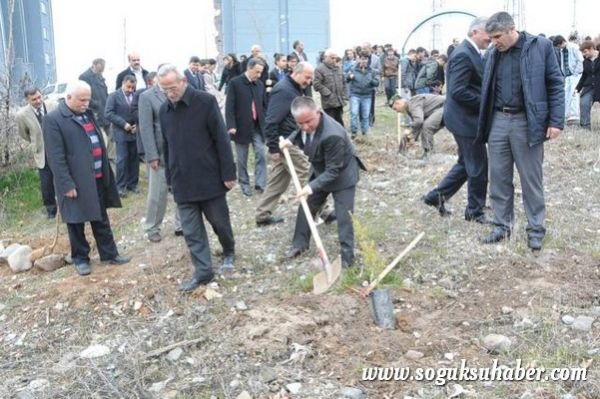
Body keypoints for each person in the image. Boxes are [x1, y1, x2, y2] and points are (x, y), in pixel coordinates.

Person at [476, 12, 563, 251]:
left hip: (527, 122)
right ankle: (502, 226)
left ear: (512, 29)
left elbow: (555, 83)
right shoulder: (493, 53)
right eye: (491, 38)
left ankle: (535, 229)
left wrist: (556, 121)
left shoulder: (540, 46)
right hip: (498, 121)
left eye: (497, 37)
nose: (494, 42)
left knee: (530, 179)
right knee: (499, 178)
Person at [157, 64, 236, 292]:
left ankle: (229, 251)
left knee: (220, 223)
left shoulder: (205, 102)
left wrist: (228, 173)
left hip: (209, 177)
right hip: (182, 181)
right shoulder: (164, 111)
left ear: (183, 82)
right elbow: (167, 146)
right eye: (165, 90)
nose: (170, 93)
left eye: (172, 87)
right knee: (191, 231)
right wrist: (170, 177)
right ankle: (203, 272)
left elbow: (221, 139)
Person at [43, 81, 130, 276]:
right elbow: (55, 158)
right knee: (76, 221)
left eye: (88, 99)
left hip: (96, 177)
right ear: (68, 98)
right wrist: (66, 184)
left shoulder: (87, 113)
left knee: (101, 217)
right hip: (75, 181)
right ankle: (80, 258)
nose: (85, 103)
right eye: (82, 100)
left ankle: (109, 254)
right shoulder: (54, 119)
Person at [422, 17, 492, 222]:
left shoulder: (471, 52)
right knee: (478, 166)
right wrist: (486, 102)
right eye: (488, 34)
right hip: (465, 121)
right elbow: (459, 91)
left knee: (465, 164)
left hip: (463, 119)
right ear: (475, 32)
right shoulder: (463, 54)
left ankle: (435, 197)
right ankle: (474, 212)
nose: (490, 38)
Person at [281, 97, 365, 268]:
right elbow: (301, 133)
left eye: (308, 121)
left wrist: (310, 187)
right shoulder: (306, 123)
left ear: (318, 113)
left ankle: (348, 258)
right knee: (306, 207)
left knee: (344, 216)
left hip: (342, 176)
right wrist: (289, 141)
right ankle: (299, 245)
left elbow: (334, 171)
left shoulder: (332, 134)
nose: (305, 126)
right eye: (300, 122)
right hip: (321, 170)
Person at [255, 62, 316, 226]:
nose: (309, 81)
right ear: (297, 73)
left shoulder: (295, 88)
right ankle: (321, 210)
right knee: (306, 171)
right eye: (307, 77)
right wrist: (274, 147)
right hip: (286, 142)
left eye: (311, 78)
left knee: (278, 180)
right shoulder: (284, 90)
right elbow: (271, 120)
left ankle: (262, 214)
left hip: (289, 140)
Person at [137, 70, 182, 242]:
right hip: (160, 154)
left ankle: (181, 224)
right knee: (158, 194)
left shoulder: (179, 92)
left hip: (180, 151)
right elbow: (146, 128)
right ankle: (152, 227)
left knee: (182, 189)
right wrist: (152, 155)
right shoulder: (147, 97)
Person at [225, 58, 268, 197]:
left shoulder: (259, 85)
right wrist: (231, 125)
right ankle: (244, 184)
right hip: (240, 127)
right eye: (257, 72)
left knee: (261, 153)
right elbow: (229, 106)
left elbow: (264, 105)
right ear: (249, 69)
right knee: (242, 159)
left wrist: (266, 122)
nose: (259, 75)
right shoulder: (235, 83)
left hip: (257, 126)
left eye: (261, 72)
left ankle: (260, 183)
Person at [15, 87, 58, 218]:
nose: (38, 100)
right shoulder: (22, 115)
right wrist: (37, 142)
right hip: (42, 153)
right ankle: (51, 211)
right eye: (34, 99)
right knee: (47, 182)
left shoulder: (53, 105)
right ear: (27, 100)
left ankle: (68, 205)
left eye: (40, 97)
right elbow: (24, 134)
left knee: (63, 176)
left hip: (58, 148)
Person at [105, 74, 139, 197]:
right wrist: (123, 124)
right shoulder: (113, 96)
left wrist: (137, 125)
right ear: (123, 83)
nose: (130, 90)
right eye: (128, 87)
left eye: (132, 88)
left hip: (134, 132)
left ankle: (133, 184)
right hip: (120, 133)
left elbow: (138, 111)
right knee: (122, 160)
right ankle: (120, 187)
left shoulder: (136, 96)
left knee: (134, 159)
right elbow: (108, 113)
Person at [79, 58, 114, 171]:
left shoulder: (100, 77)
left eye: (102, 70)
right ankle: (101, 162)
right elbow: (83, 96)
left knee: (112, 139)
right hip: (94, 114)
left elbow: (105, 93)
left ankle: (111, 160)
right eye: (100, 69)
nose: (101, 72)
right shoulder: (84, 77)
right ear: (94, 65)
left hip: (106, 112)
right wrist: (96, 104)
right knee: (100, 139)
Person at [391, 94, 445, 159]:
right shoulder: (409, 108)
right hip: (441, 109)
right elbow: (417, 126)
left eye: (395, 108)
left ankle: (429, 154)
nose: (397, 111)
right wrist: (411, 137)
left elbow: (419, 121)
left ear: (398, 103)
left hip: (446, 106)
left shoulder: (412, 104)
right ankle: (402, 153)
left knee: (427, 126)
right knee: (424, 127)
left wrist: (410, 131)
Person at [552, 35, 584, 123]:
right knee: (566, 94)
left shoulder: (574, 47)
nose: (559, 48)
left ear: (562, 42)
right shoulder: (562, 50)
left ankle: (575, 115)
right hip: (567, 75)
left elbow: (580, 60)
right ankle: (566, 114)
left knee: (574, 94)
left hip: (575, 75)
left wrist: (576, 72)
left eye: (559, 46)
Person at [347, 53, 379, 138]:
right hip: (355, 95)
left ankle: (365, 132)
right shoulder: (353, 69)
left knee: (365, 115)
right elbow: (346, 79)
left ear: (368, 60)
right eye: (362, 59)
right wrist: (349, 77)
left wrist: (372, 80)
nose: (363, 61)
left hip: (367, 96)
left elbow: (377, 83)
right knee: (354, 113)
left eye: (365, 59)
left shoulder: (372, 71)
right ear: (359, 59)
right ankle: (354, 132)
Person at [313, 49, 347, 126]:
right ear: (325, 57)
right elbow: (316, 85)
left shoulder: (338, 68)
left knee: (340, 123)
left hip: (339, 101)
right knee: (330, 125)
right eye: (332, 58)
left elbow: (344, 82)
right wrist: (328, 93)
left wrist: (344, 95)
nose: (334, 60)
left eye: (335, 58)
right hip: (328, 103)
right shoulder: (319, 69)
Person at [575, 40, 600, 131]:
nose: (583, 54)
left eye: (585, 52)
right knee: (584, 103)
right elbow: (584, 76)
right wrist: (577, 88)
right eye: (582, 52)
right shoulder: (585, 62)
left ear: (592, 49)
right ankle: (585, 127)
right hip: (589, 87)